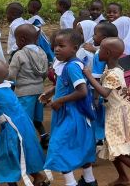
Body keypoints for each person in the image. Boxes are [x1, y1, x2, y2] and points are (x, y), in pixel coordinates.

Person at [83, 38, 130, 186]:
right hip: (115, 110)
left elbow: (105, 93)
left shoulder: (114, 73)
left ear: (108, 53)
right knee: (112, 146)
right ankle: (123, 176)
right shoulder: (112, 69)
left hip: (118, 113)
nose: (98, 51)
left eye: (100, 49)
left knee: (118, 150)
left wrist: (89, 76)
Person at [0, 60, 49, 186]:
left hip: (12, 129)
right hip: (22, 124)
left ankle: (28, 179)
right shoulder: (5, 86)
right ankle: (38, 177)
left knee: (7, 157)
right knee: (20, 152)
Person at [41, 29, 97, 186]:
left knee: (58, 147)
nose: (56, 49)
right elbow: (65, 84)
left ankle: (71, 183)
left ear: (74, 48)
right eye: (55, 46)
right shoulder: (68, 65)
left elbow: (82, 91)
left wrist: (60, 101)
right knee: (81, 145)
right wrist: (51, 92)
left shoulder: (71, 67)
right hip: (72, 114)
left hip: (71, 114)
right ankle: (89, 179)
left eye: (61, 45)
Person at [8, 24, 49, 137]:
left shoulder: (19, 54)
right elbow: (45, 73)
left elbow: (11, 75)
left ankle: (27, 142)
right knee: (37, 118)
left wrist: (11, 86)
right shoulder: (42, 52)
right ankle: (44, 136)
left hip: (24, 93)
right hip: (40, 91)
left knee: (24, 120)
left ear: (22, 40)